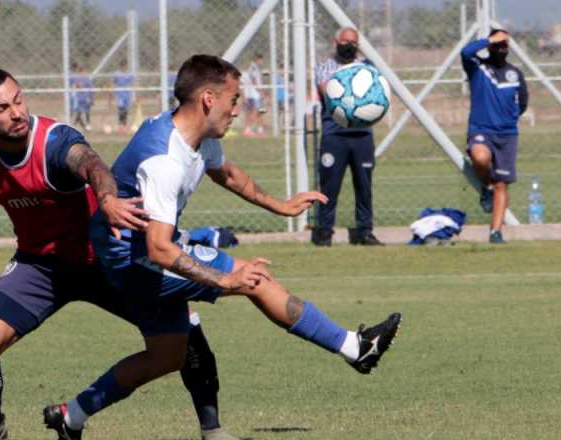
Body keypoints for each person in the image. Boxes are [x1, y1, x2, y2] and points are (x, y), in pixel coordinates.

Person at [43, 54, 402, 440]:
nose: (239, 109)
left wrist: (281, 205)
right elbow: (161, 249)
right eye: (235, 99)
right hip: (136, 258)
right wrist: (227, 281)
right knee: (256, 279)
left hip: (142, 253)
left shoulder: (194, 136)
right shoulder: (165, 159)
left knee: (167, 355)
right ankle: (355, 347)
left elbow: (229, 175)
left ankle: (72, 415)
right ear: (209, 100)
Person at [0, 68, 241, 440]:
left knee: (183, 332)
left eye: (18, 100)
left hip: (108, 260)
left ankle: (213, 430)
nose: (16, 113)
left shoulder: (53, 142)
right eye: (1, 108)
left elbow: (92, 165)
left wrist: (107, 198)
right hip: (41, 266)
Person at [311, 27, 383, 247]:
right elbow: (329, 95)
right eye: (346, 41)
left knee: (364, 186)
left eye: (354, 42)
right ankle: (324, 232)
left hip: (362, 135)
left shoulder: (368, 68)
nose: (349, 45)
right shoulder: (325, 67)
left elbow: (377, 94)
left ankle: (365, 231)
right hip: (334, 135)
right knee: (329, 186)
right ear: (336, 41)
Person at [462, 29, 528, 244]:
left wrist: (508, 119)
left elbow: (523, 103)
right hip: (481, 130)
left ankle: (495, 233)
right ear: (490, 46)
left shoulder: (515, 73)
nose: (501, 48)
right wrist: (490, 39)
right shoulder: (478, 68)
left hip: (507, 135)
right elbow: (465, 52)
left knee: (502, 184)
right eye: (498, 44)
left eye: (505, 44)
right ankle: (485, 185)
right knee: (480, 158)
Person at [241, 53, 266, 137]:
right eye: (261, 60)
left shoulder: (252, 68)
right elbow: (254, 80)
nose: (262, 62)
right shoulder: (253, 68)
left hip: (251, 94)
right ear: (257, 59)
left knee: (259, 111)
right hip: (255, 94)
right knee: (255, 111)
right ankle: (248, 129)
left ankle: (259, 129)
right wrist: (261, 92)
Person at [110, 61, 135, 134]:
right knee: (121, 110)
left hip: (127, 94)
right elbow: (113, 82)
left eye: (125, 66)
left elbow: (133, 83)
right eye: (123, 66)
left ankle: (124, 125)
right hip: (120, 94)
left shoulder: (129, 74)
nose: (124, 67)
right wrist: (112, 93)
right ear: (120, 66)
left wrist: (134, 94)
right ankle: (120, 126)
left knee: (126, 110)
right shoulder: (117, 74)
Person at [70, 63, 93, 131]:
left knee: (87, 111)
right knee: (79, 112)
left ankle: (87, 124)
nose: (83, 73)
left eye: (84, 71)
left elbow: (90, 87)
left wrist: (91, 97)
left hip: (86, 97)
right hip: (79, 97)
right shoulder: (76, 78)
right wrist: (78, 85)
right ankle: (77, 125)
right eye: (81, 71)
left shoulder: (87, 78)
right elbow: (75, 85)